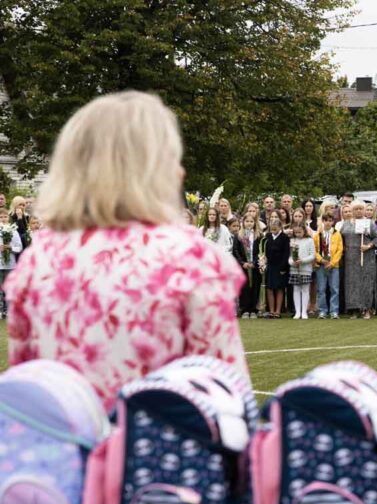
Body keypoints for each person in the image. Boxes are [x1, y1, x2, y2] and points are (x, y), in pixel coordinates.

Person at [2, 91, 245, 409]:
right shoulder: (192, 259)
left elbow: (24, 395)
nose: (181, 172)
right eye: (172, 159)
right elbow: (230, 402)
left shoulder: (38, 261)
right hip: (160, 454)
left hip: (63, 453)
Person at [341, 200, 377, 319]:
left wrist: (368, 246)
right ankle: (354, 310)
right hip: (350, 258)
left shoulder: (369, 223)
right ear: (352, 210)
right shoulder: (346, 224)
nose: (358, 211)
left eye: (360, 209)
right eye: (356, 209)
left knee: (366, 283)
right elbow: (340, 238)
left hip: (366, 257)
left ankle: (366, 309)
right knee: (352, 283)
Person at [313, 213, 342, 319]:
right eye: (326, 220)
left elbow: (340, 249)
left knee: (334, 289)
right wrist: (321, 260)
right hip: (321, 264)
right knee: (321, 289)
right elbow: (314, 250)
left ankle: (334, 311)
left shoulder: (337, 234)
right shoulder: (318, 235)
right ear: (322, 221)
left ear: (333, 222)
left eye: (330, 220)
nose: (328, 223)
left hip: (334, 265)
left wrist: (332, 263)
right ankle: (322, 311)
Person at [262, 218, 290, 318]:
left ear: (280, 227)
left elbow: (286, 254)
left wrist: (283, 267)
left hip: (280, 267)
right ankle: (271, 311)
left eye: (275, 227)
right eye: (271, 227)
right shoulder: (267, 236)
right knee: (269, 288)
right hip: (269, 266)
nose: (273, 229)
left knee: (279, 288)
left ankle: (277, 311)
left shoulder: (285, 238)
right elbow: (263, 251)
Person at [287, 222, 315, 319]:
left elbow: (312, 255)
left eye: (300, 232)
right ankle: (297, 312)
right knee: (296, 289)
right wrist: (292, 262)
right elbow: (289, 256)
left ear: (304, 231)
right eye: (296, 232)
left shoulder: (309, 240)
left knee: (305, 290)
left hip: (306, 269)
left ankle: (304, 312)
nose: (298, 234)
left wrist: (302, 261)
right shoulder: (292, 240)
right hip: (294, 269)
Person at [236, 214, 261, 319]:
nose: (249, 223)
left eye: (251, 221)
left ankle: (253, 309)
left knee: (254, 287)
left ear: (255, 223)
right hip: (244, 266)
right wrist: (243, 263)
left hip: (254, 266)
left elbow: (260, 250)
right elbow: (236, 251)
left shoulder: (258, 235)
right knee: (244, 288)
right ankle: (245, 309)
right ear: (243, 223)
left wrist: (254, 262)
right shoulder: (239, 236)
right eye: (247, 221)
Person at [0, 209, 24, 320]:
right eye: (1, 217)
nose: (3, 219)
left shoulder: (13, 231)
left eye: (5, 217)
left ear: (8, 218)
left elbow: (19, 247)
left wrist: (10, 247)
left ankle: (9, 310)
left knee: (9, 288)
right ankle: (1, 310)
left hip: (10, 264)